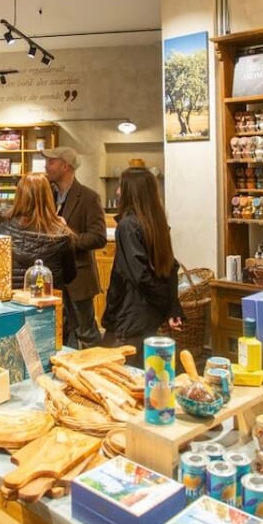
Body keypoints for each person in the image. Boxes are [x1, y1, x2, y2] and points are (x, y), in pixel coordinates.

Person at [101, 167, 183, 368]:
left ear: (131, 191)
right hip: (148, 315)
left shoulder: (128, 226)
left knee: (120, 371)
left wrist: (167, 304)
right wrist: (170, 306)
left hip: (130, 313)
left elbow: (139, 275)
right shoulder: (156, 223)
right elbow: (171, 267)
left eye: (121, 186)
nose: (117, 192)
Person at [42, 147, 107, 348]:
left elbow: (98, 238)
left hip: (79, 279)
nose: (46, 166)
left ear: (65, 166)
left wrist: (66, 236)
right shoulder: (47, 196)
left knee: (87, 333)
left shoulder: (89, 197)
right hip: (53, 279)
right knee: (61, 333)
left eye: (51, 162)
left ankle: (97, 365)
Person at [0, 173, 76, 290]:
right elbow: (70, 276)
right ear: (48, 196)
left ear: (19, 195)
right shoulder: (61, 234)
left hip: (12, 297)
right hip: (48, 297)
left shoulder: (4, 228)